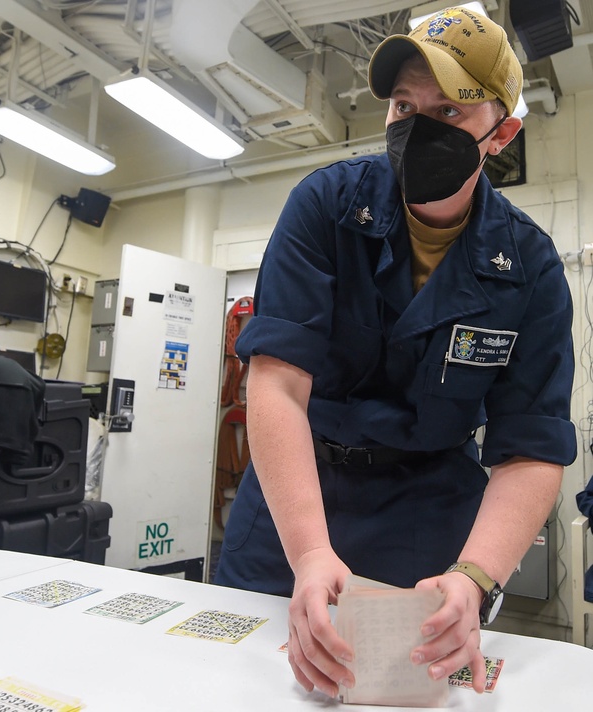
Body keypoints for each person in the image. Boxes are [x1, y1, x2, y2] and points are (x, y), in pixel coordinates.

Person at [214, 5, 576, 699]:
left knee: (410, 693)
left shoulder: (529, 266)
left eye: (447, 111)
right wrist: (311, 551)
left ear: (502, 133)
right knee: (247, 689)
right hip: (296, 501)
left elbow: (530, 450)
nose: (416, 128)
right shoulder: (324, 205)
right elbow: (278, 385)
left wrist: (473, 580)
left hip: (428, 508)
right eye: (404, 105)